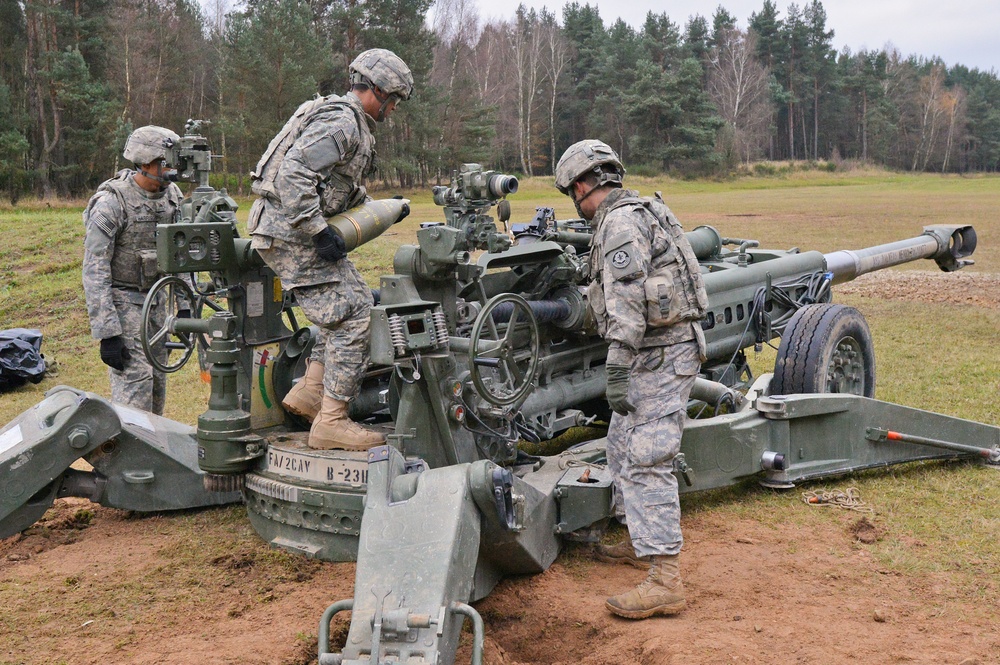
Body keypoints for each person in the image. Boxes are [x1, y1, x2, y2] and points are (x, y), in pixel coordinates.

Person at [554, 140, 709, 619]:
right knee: (621, 445)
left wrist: (617, 365)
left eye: (571, 193)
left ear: (582, 185)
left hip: (660, 355)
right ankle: (637, 542)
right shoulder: (639, 208)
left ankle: (666, 579)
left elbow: (627, 301)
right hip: (654, 351)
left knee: (646, 459)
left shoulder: (620, 222)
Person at [248, 48, 413, 451]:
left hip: (285, 229)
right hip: (292, 233)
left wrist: (379, 207)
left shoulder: (341, 117)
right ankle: (332, 421)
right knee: (356, 311)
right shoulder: (344, 122)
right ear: (377, 90)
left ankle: (311, 392)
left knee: (345, 303)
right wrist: (318, 230)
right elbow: (296, 173)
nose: (392, 110)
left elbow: (334, 185)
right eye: (393, 101)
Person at [82, 125, 185, 415]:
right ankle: (129, 458)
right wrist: (107, 332)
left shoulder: (173, 197)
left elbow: (186, 254)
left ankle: (151, 457)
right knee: (135, 394)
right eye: (165, 162)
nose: (171, 170)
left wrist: (187, 310)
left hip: (157, 304)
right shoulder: (113, 201)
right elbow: (95, 268)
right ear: (144, 162)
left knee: (156, 392)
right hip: (124, 304)